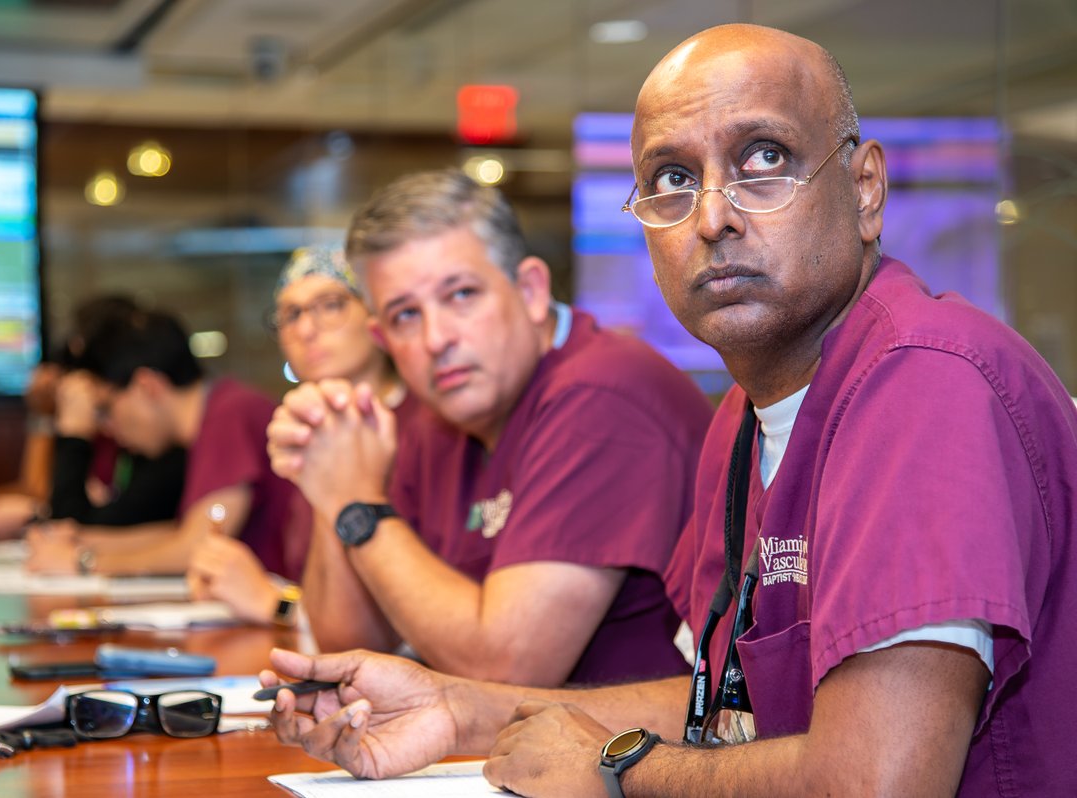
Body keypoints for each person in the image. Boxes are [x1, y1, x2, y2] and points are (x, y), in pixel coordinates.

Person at [256, 23, 1077, 797]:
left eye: (764, 158)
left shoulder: (924, 381)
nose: (713, 217)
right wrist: (456, 708)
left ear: (866, 189)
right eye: (673, 180)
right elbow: (721, 706)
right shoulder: (743, 417)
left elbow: (878, 780)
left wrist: (620, 771)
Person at [267, 169, 712, 687]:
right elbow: (350, 645)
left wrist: (356, 505)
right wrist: (333, 470)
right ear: (381, 338)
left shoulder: (602, 393)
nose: (436, 339)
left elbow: (509, 664)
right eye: (405, 315)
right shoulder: (443, 416)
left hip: (634, 756)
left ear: (529, 290)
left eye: (460, 295)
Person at [185, 246, 413, 623]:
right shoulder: (301, 430)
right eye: (291, 314)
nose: (306, 330)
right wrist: (240, 583)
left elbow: (412, 614)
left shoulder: (426, 425)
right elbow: (316, 587)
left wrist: (277, 605)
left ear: (375, 314)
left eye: (332, 304)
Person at [24, 307, 309, 581]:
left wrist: (83, 562)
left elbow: (197, 545)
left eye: (107, 408)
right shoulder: (215, 413)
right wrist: (83, 538)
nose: (107, 428)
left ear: (147, 386)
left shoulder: (229, 414)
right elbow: (182, 532)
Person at [0, 294, 186, 538]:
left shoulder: (164, 448)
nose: (109, 423)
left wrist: (72, 432)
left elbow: (74, 522)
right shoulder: (137, 441)